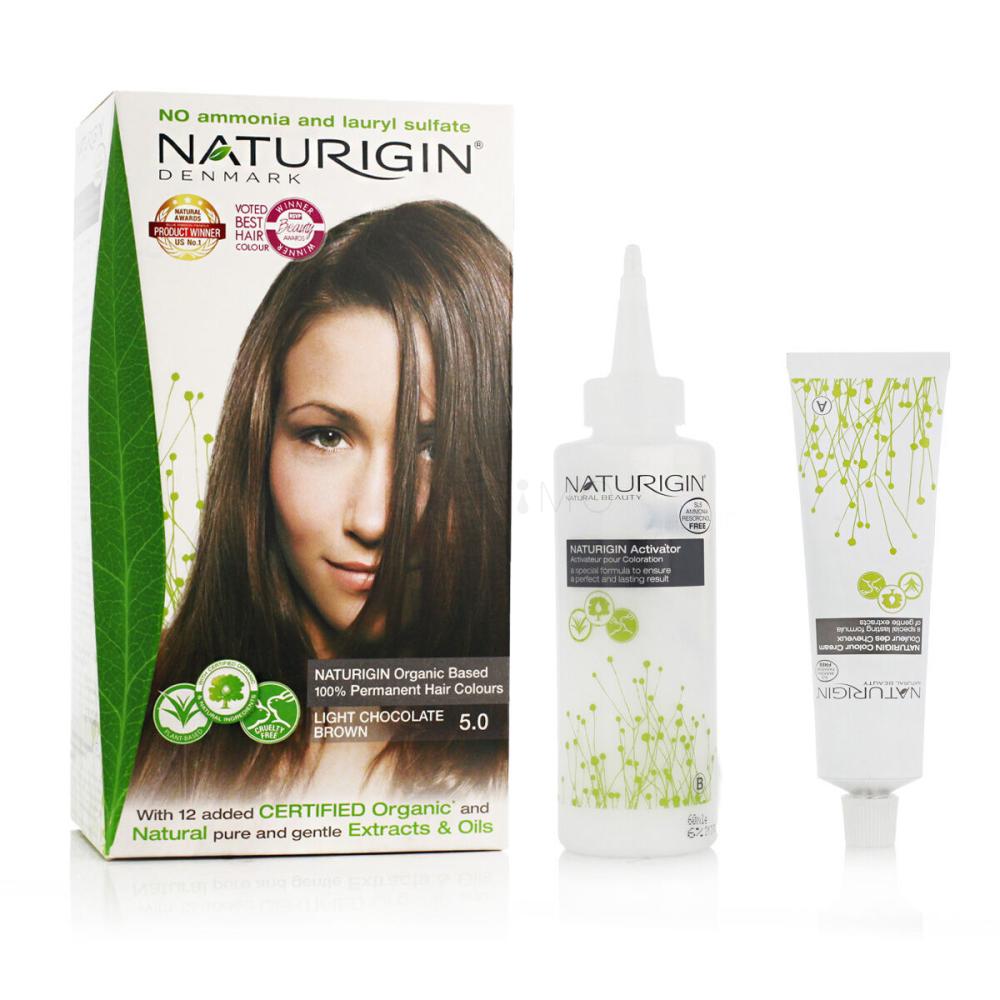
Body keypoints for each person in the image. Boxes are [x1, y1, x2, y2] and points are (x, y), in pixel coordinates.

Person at [133, 200, 511, 799]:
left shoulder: (532, 758)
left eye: (433, 448)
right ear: (259, 443)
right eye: (327, 437)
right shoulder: (146, 714)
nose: (374, 519)